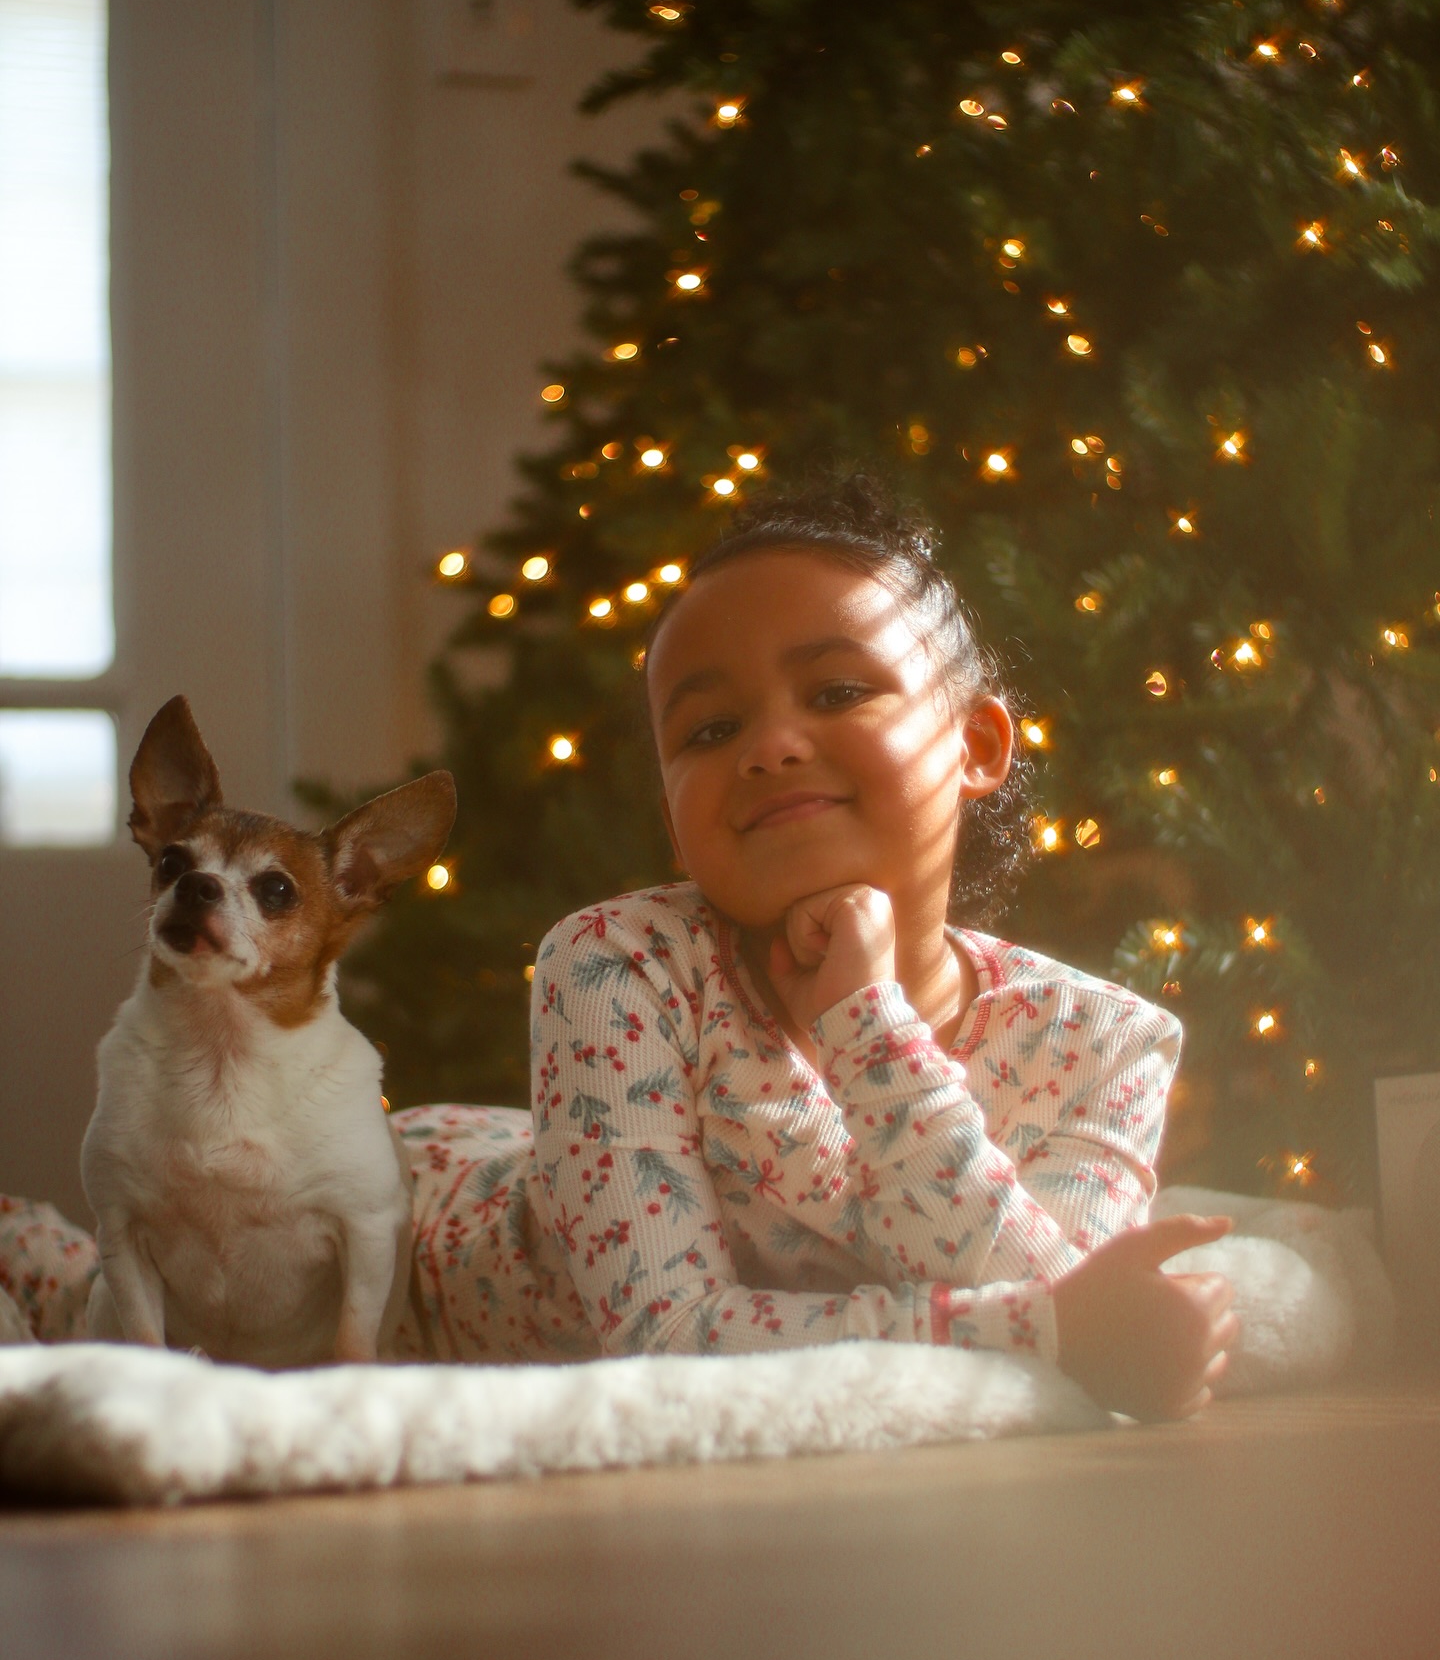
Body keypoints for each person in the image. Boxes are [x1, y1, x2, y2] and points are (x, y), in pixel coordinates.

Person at [0, 479, 1236, 1420]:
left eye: (838, 692)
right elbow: (673, 1336)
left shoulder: (1109, 1041)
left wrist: (875, 1035)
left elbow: (1085, 1300)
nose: (768, 745)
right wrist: (1044, 1327)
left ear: (974, 745)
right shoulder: (614, 961)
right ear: (672, 800)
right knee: (96, 1302)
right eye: (708, 726)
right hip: (425, 1245)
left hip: (515, 1156)